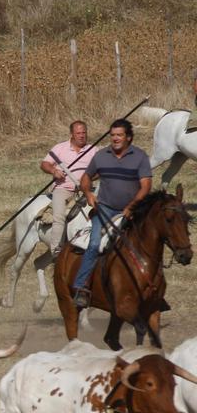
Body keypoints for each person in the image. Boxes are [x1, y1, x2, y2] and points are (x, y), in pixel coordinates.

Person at [72, 119, 152, 308]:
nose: (115, 139)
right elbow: (86, 177)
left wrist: (132, 206)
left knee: (147, 244)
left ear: (129, 138)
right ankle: (81, 286)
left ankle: (153, 287)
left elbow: (146, 186)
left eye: (119, 135)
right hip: (105, 209)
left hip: (133, 210)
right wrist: (88, 193)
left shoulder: (140, 157)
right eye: (112, 135)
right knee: (93, 244)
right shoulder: (101, 156)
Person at [40, 120, 93, 256]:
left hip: (85, 190)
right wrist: (53, 171)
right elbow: (45, 164)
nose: (82, 136)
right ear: (71, 134)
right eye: (78, 133)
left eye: (84, 133)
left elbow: (100, 171)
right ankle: (56, 250)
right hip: (63, 189)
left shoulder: (93, 150)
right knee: (59, 217)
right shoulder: (60, 148)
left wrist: (88, 178)